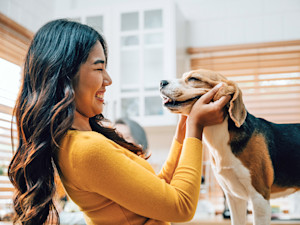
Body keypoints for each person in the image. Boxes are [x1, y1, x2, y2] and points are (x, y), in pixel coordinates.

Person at [8, 19, 231, 225]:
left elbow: (159, 190)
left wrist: (184, 125)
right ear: (64, 74)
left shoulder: (81, 142)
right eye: (99, 68)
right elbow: (180, 206)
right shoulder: (86, 149)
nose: (108, 79)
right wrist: (195, 127)